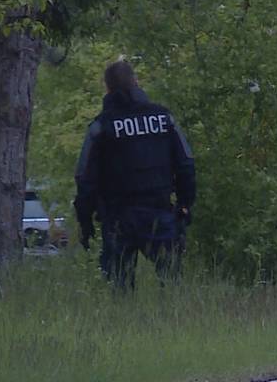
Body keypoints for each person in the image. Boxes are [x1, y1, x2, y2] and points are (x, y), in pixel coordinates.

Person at [73, 61, 196, 288]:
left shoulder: (101, 127)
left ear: (108, 89)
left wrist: (85, 221)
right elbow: (186, 164)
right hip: (160, 213)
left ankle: (124, 322)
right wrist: (185, 205)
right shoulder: (163, 118)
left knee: (119, 290)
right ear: (136, 82)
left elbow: (85, 178)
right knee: (172, 288)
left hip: (117, 217)